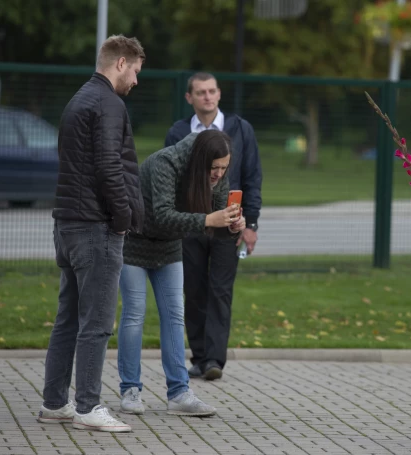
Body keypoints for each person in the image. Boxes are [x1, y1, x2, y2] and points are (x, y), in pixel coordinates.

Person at [38, 35, 145, 433]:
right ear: (120, 63)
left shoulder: (80, 98)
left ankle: (54, 403)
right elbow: (108, 168)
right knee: (97, 323)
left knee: (68, 318)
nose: (136, 80)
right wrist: (122, 217)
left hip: (66, 224)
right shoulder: (108, 103)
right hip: (94, 227)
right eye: (135, 71)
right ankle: (87, 407)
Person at [117, 130, 245, 415]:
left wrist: (230, 226)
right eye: (214, 168)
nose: (219, 174)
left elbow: (213, 224)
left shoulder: (217, 174)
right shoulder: (166, 163)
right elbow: (163, 215)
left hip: (169, 249)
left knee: (175, 314)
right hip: (134, 244)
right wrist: (209, 219)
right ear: (200, 161)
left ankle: (179, 394)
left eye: (224, 168)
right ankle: (130, 390)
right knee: (135, 313)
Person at [164, 72, 262, 381]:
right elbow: (171, 180)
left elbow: (252, 176)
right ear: (189, 97)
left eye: (212, 91)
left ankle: (215, 360)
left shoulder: (240, 129)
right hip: (191, 224)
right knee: (192, 289)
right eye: (200, 92)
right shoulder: (178, 132)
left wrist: (251, 223)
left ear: (219, 94)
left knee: (220, 290)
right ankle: (200, 356)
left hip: (230, 223)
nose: (207, 96)